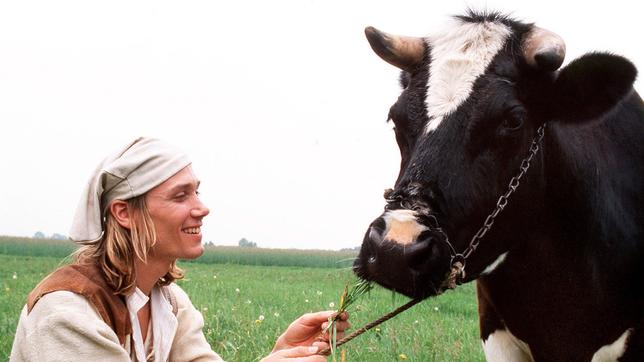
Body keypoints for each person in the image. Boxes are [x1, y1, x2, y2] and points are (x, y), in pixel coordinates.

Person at [10, 137, 349, 362]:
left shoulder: (167, 301)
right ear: (124, 213)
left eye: (196, 192)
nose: (201, 208)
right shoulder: (66, 314)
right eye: (180, 195)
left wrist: (281, 353)